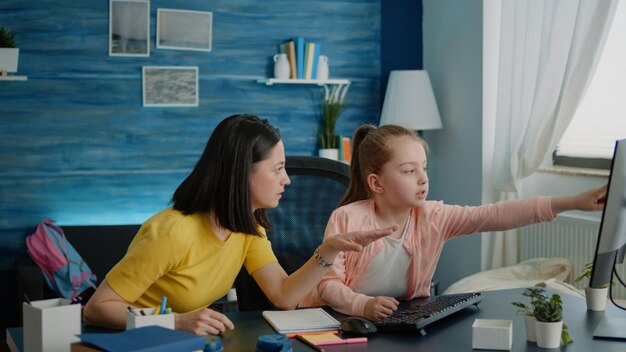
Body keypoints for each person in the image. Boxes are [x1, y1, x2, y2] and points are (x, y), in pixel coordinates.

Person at [82, 114, 396, 335]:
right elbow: (98, 308)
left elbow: (285, 297)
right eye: (277, 169)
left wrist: (327, 250)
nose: (287, 179)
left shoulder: (247, 228)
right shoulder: (171, 232)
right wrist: (174, 322)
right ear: (241, 172)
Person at [302, 124, 607, 321]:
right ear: (376, 183)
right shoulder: (347, 218)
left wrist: (574, 202)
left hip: (401, 320)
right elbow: (327, 284)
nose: (423, 178)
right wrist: (363, 306)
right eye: (409, 171)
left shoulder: (434, 216)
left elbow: (494, 214)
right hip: (343, 322)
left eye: (424, 168)